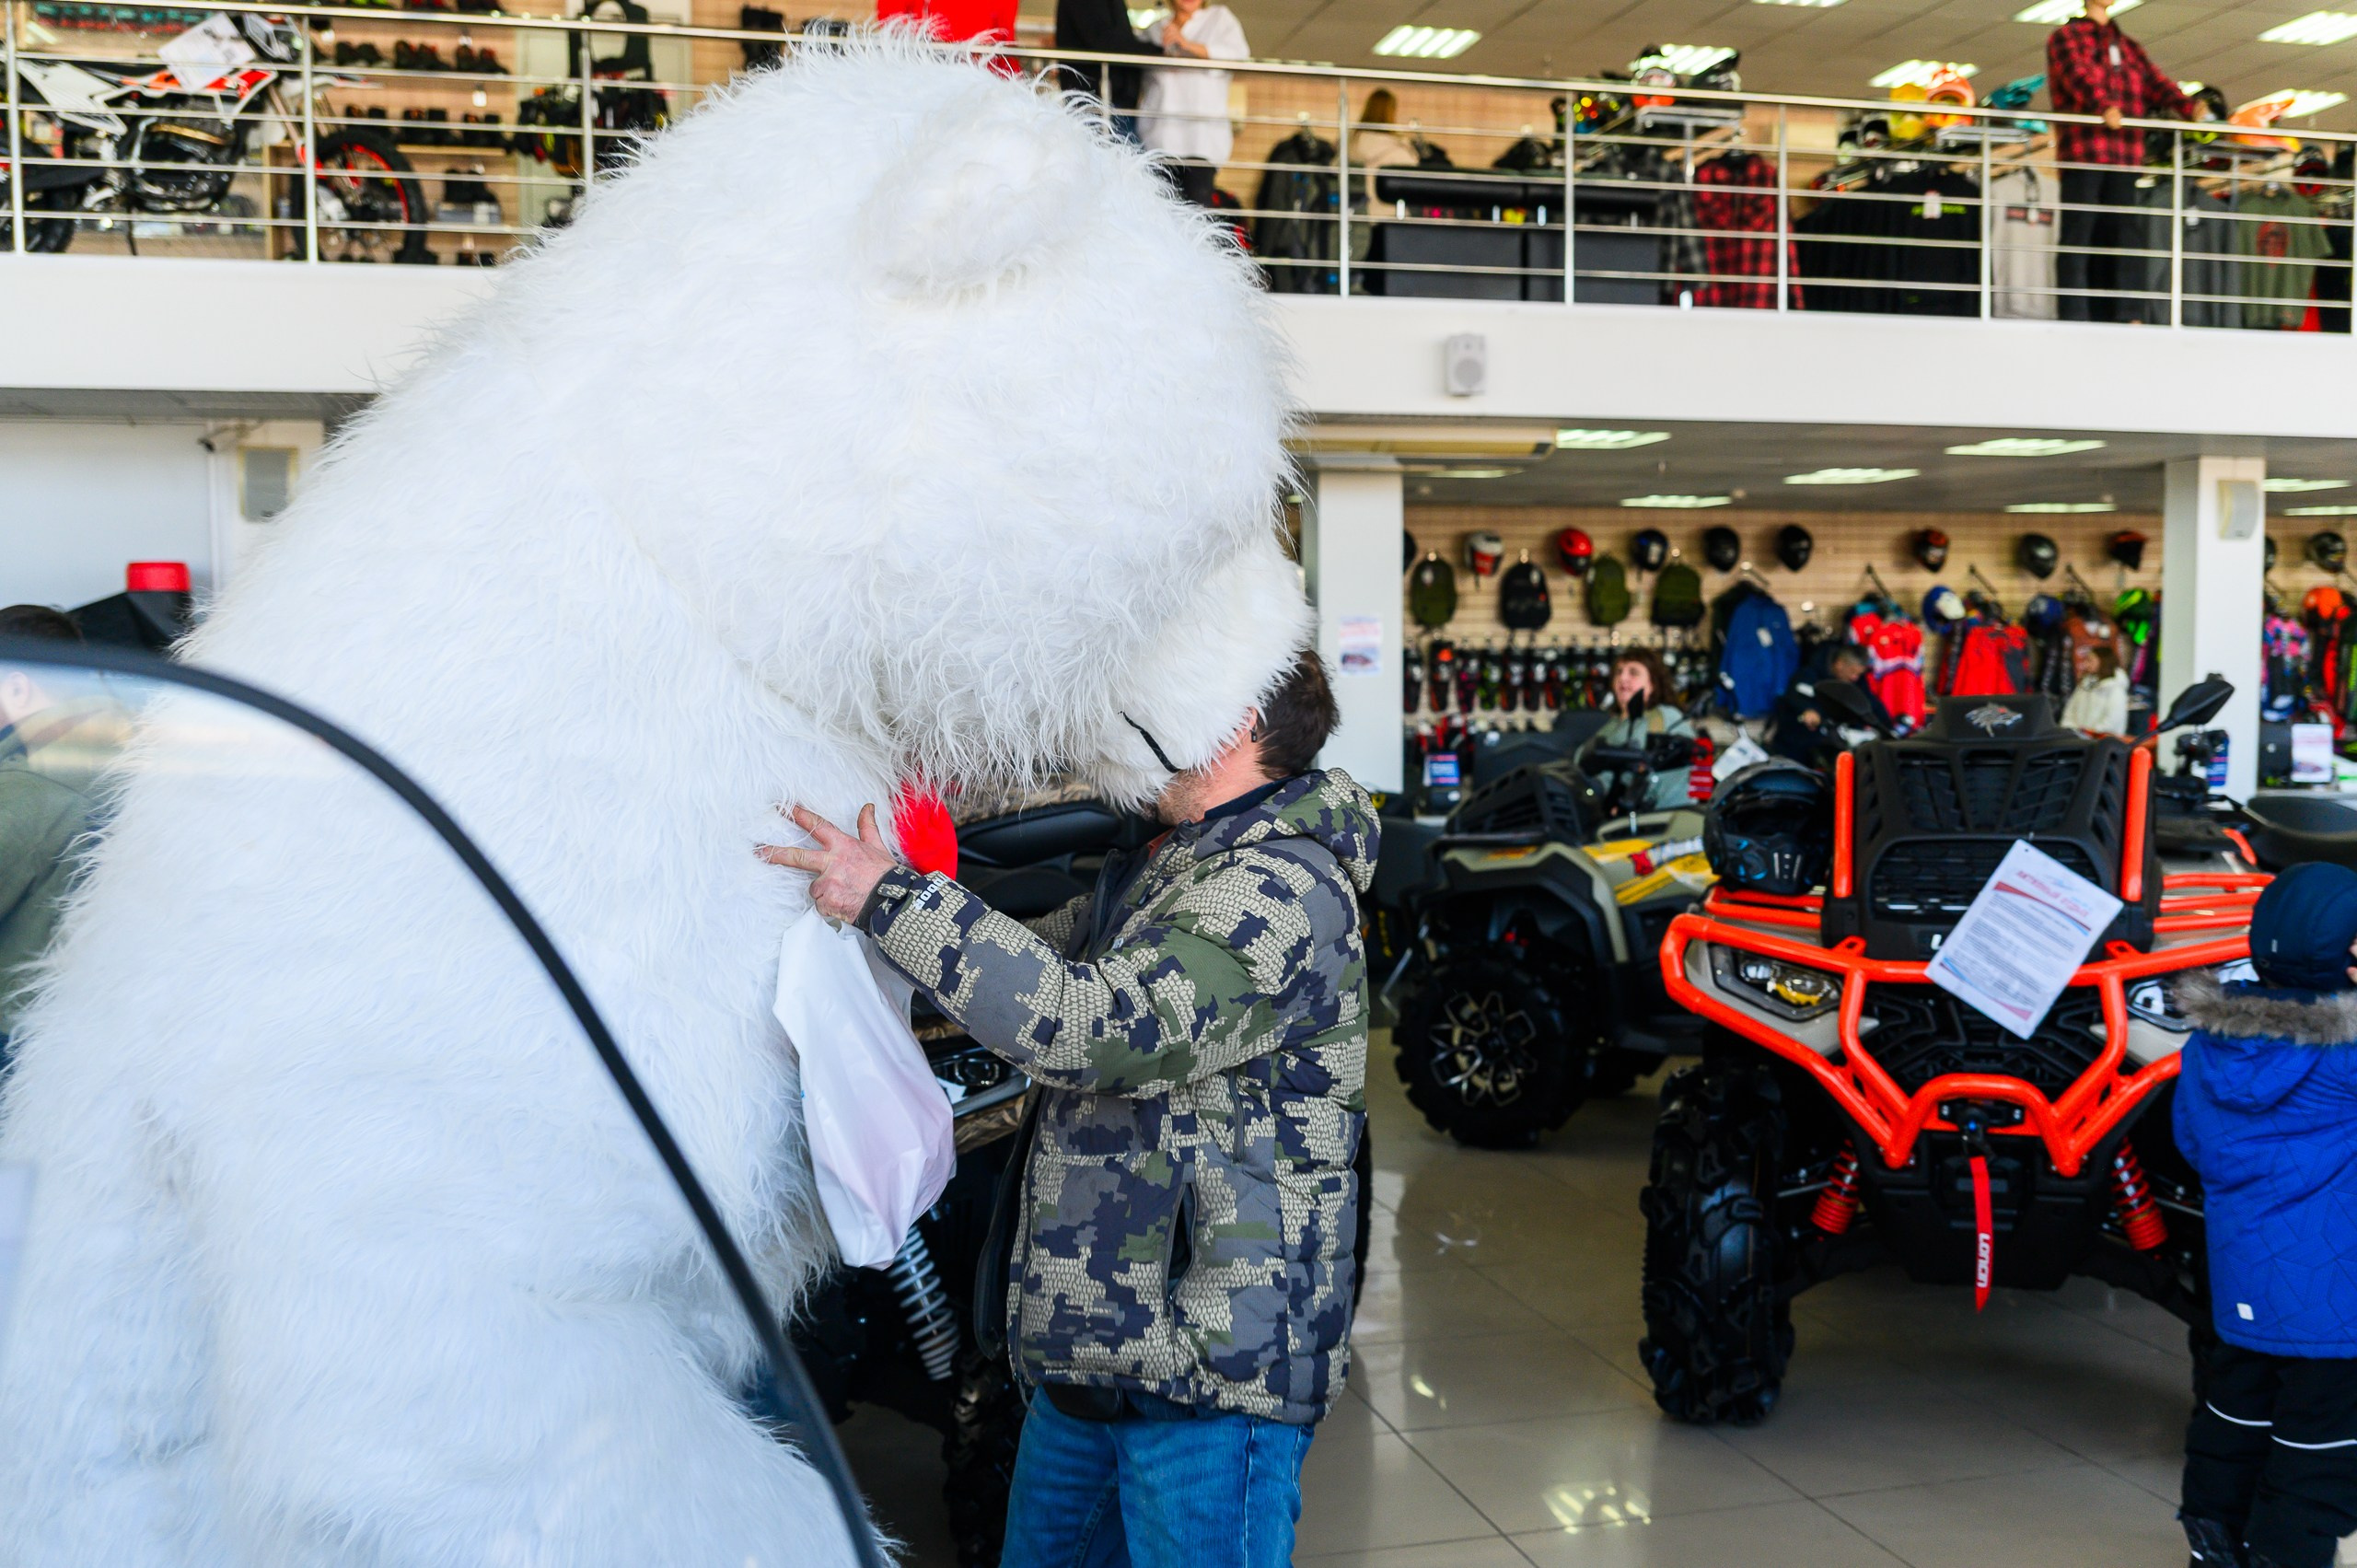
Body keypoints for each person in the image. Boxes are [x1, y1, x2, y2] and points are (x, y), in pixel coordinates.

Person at [765, 647, 1374, 1568]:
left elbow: (1096, 1025)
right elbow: (1033, 961)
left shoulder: (1278, 887)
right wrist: (880, 925)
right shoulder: (1171, 862)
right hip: (1097, 1352)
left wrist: (895, 899)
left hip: (1206, 1376)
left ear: (1239, 719)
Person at [2175, 862, 2357, 1568]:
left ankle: (2213, 1547)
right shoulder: (2344, 1058)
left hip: (2244, 1282)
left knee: (2232, 1423)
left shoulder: (2213, 1043)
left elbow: (2192, 1141)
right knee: (2319, 1456)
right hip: (2335, 1306)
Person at [0, 606, 126, 1077]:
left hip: (17, 1034)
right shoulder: (119, 740)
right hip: (78, 1020)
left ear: (17, 686)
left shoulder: (39, 783)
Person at [2045, 0, 2202, 323]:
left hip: (2125, 155)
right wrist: (2104, 107)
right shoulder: (2066, 36)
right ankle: (2075, 312)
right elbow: (2075, 76)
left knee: (2123, 232)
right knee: (2081, 230)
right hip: (2085, 151)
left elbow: (2154, 82)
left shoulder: (2129, 46)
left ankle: (2126, 312)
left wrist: (2188, 106)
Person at [1134, 0, 1248, 206]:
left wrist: (1187, 45)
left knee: (1196, 214)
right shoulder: (1154, 29)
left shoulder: (1219, 19)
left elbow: (1239, 56)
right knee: (1159, 215)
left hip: (1201, 140)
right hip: (1158, 140)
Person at [1576, 649, 1695, 811]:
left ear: (1653, 683)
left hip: (1662, 817)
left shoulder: (1663, 717)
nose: (1623, 678)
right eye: (1618, 672)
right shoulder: (1613, 724)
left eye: (1633, 673)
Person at [1053, 0, 1160, 143]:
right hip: (1098, 100)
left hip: (1107, 100)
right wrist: (1157, 51)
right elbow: (1105, 40)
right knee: (1109, 157)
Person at [1770, 644, 1888, 767]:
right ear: (1840, 664)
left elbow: (1870, 704)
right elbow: (1795, 697)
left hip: (1837, 742)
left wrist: (1887, 728)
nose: (1855, 677)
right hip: (1799, 745)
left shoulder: (1858, 682)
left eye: (1858, 674)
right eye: (1852, 672)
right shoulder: (1809, 675)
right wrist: (1808, 710)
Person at [1350, 87, 1421, 205]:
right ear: (1391, 112)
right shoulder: (1398, 150)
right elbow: (1415, 178)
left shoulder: (1352, 144)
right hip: (1390, 214)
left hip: (1357, 215)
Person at [2061, 642, 2130, 734]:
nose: (2086, 664)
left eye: (2090, 660)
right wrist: (2070, 731)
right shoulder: (2084, 685)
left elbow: (2112, 722)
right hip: (2076, 741)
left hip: (2103, 744)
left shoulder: (2115, 689)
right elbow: (2069, 713)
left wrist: (2090, 734)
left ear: (2103, 661)